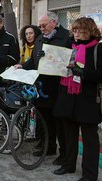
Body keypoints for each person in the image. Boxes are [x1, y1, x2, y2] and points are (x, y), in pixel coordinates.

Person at [52, 17, 102, 181]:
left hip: (88, 98)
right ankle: (68, 165)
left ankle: (90, 174)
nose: (76, 33)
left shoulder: (100, 49)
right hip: (68, 96)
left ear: (90, 31)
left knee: (89, 138)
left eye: (80, 30)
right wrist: (47, 59)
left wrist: (83, 73)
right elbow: (57, 66)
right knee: (69, 135)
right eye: (75, 30)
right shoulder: (69, 46)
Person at [18, 11, 70, 165]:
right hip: (42, 87)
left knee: (59, 122)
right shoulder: (40, 38)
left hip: (59, 87)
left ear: (54, 22)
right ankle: (48, 146)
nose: (41, 28)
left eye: (44, 25)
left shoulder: (66, 37)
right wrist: (21, 66)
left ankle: (64, 153)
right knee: (44, 119)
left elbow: (68, 60)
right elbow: (33, 62)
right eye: (40, 26)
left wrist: (49, 57)